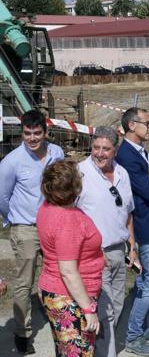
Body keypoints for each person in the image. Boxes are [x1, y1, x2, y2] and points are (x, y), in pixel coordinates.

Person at [0, 109, 64, 354]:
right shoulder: (11, 162)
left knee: (59, 276)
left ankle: (61, 321)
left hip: (53, 225)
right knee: (24, 283)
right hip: (26, 228)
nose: (33, 138)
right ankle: (22, 332)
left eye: (37, 133)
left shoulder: (57, 153)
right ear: (22, 133)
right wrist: (14, 220)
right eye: (28, 133)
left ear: (46, 132)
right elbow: (2, 197)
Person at [77, 126, 139, 357]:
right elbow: (71, 217)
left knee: (117, 306)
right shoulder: (80, 173)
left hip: (118, 252)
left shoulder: (122, 173)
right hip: (94, 255)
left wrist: (132, 246)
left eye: (106, 149)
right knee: (105, 312)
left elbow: (127, 213)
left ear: (116, 151)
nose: (100, 153)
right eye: (96, 148)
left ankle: (96, 349)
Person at [116, 107, 149, 356]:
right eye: (147, 123)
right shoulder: (127, 155)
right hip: (144, 225)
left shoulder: (141, 152)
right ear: (131, 125)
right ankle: (134, 336)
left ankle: (142, 327)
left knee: (143, 281)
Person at [37, 160, 105, 357]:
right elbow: (67, 271)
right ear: (74, 187)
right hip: (70, 296)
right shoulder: (68, 220)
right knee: (79, 352)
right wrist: (88, 308)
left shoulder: (47, 207)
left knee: (66, 350)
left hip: (54, 290)